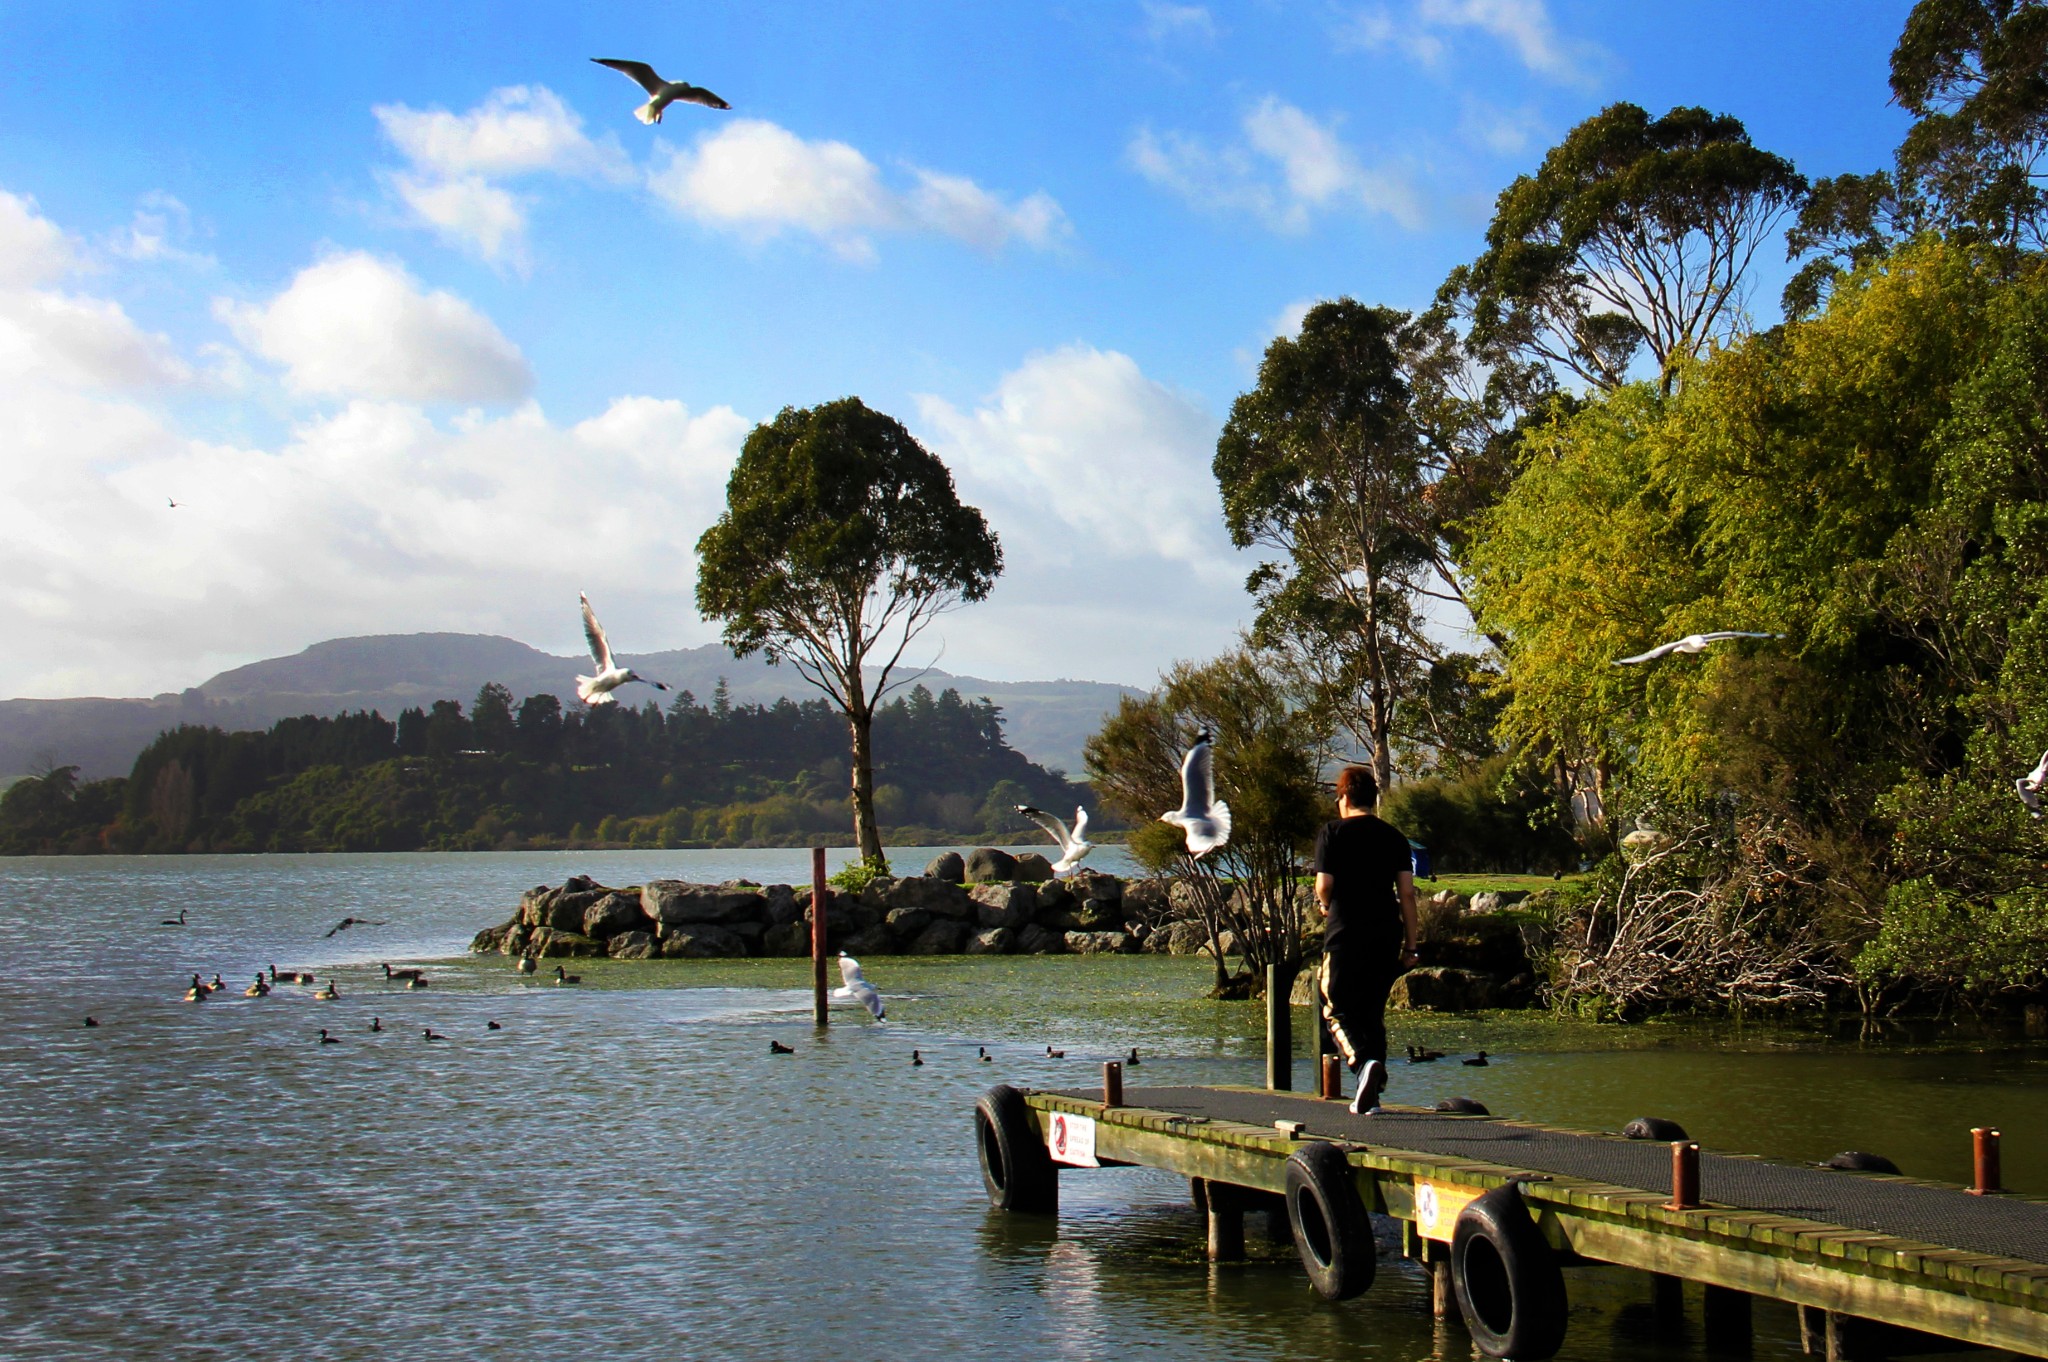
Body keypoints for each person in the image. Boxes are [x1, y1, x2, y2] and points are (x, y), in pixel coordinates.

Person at [1314, 765, 1420, 1115]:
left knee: (1335, 1008)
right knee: (1371, 1013)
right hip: (1385, 934)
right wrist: (1410, 945)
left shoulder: (1332, 833)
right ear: (1374, 799)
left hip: (1346, 933)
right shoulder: (1394, 837)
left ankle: (1361, 1066)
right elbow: (1407, 894)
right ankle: (1371, 1098)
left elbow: (1324, 886)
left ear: (1343, 797)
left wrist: (1323, 905)